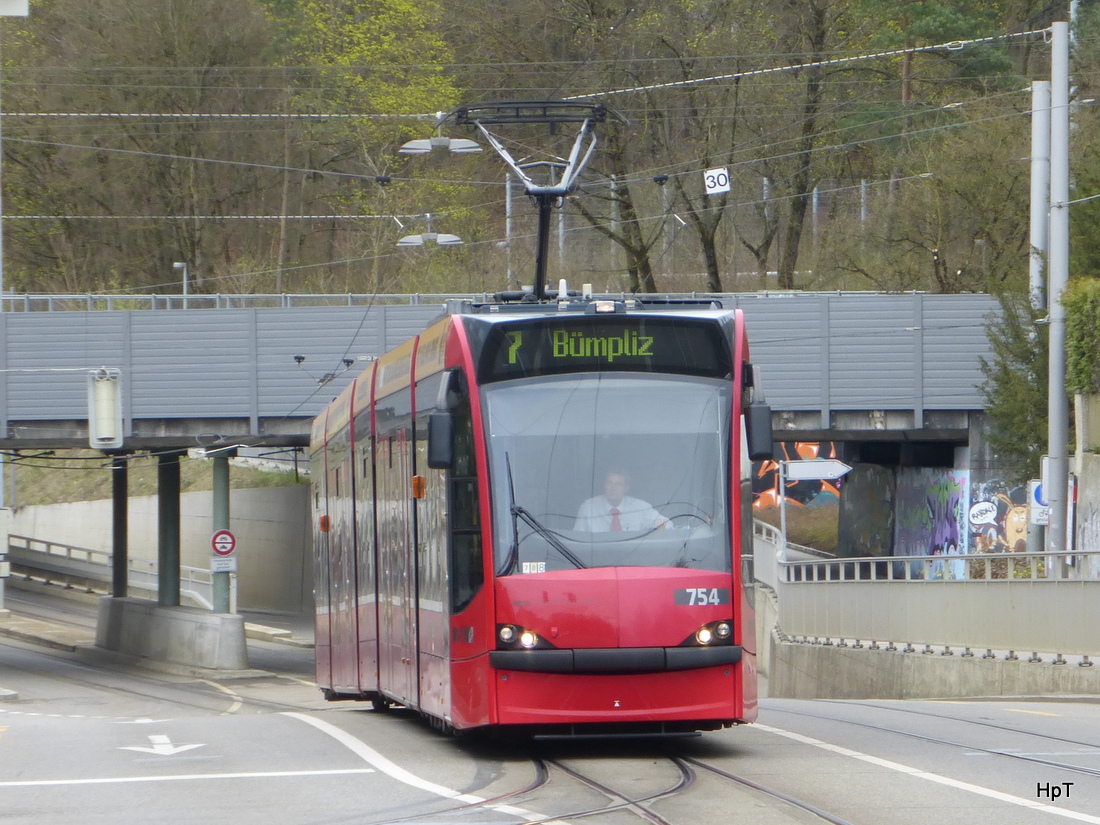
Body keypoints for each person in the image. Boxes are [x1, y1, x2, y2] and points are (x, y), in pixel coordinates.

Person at [574, 471, 668, 532]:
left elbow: (668, 525)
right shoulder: (588, 507)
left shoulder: (640, 507)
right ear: (604, 486)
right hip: (593, 560)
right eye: (609, 483)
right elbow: (577, 540)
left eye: (618, 484)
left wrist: (657, 525)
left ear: (626, 488)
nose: (613, 487)